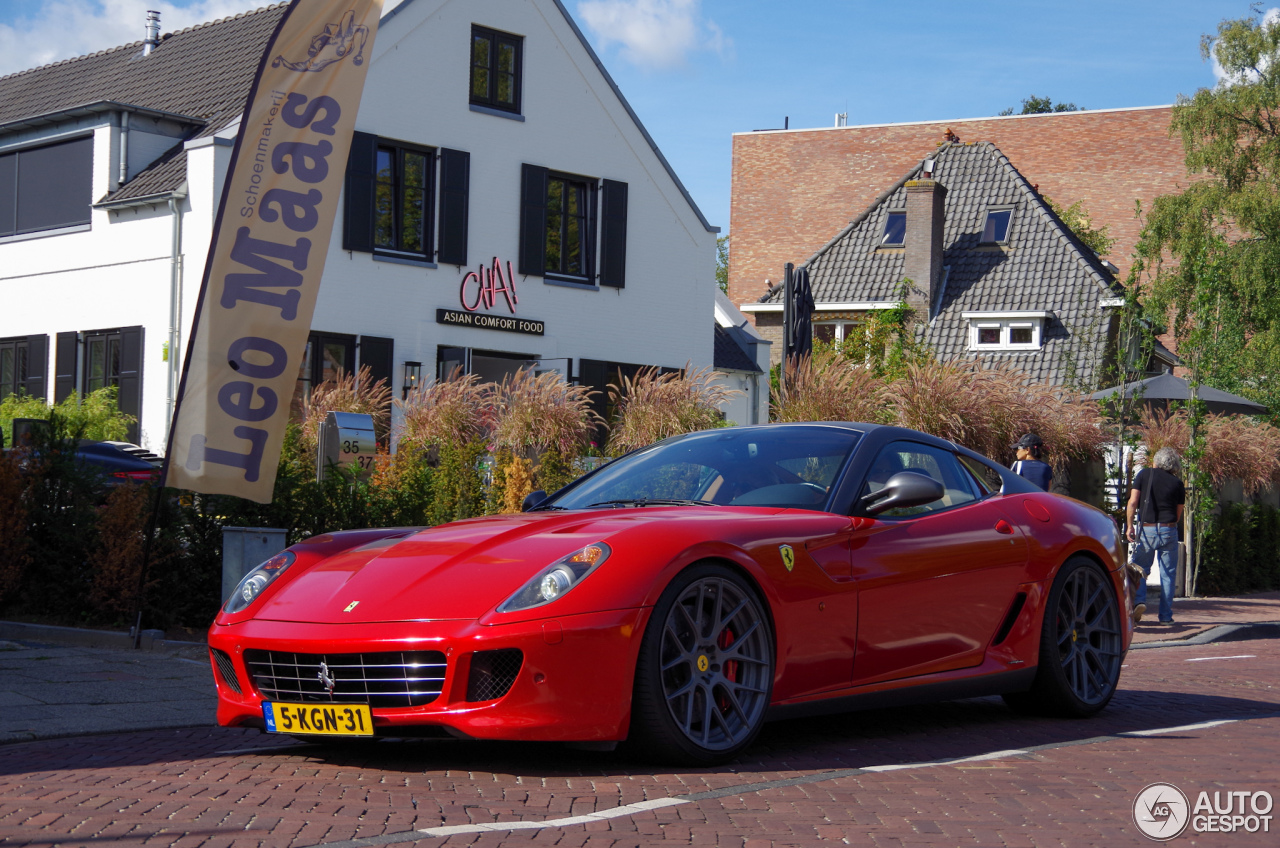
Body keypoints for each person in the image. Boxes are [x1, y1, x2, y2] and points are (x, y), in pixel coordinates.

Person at [1126, 447, 1185, 625]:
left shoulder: (1144, 475)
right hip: (1168, 529)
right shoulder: (1177, 483)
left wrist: (1129, 526)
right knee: (1168, 574)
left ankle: (1139, 601)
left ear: (1157, 461)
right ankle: (1166, 617)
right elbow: (1178, 513)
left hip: (1147, 529)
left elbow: (1133, 502)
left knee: (1140, 569)